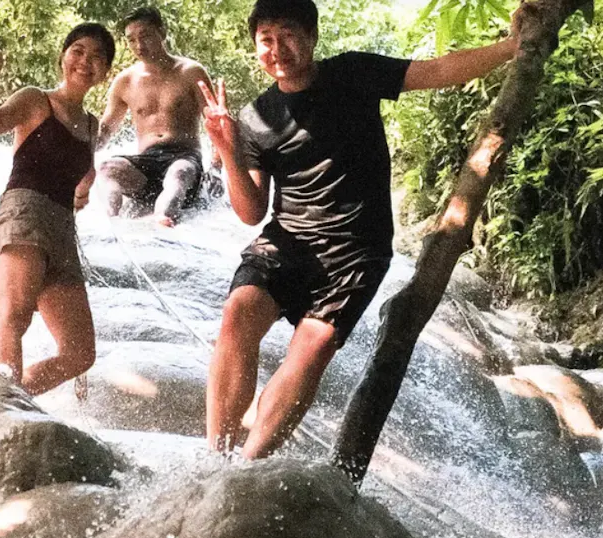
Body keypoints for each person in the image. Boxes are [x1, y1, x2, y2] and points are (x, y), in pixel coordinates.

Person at [202, 0, 533, 458]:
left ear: (312, 38)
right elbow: (249, 211)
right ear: (256, 48)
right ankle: (214, 459)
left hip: (356, 251)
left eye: (288, 35)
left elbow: (438, 71)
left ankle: (249, 464)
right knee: (238, 312)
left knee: (313, 347)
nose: (277, 49)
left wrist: (513, 47)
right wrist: (228, 151)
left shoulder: (352, 73)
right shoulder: (256, 117)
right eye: (266, 41)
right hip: (287, 240)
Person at [0, 23, 114, 395]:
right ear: (63, 56)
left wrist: (84, 187)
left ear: (106, 71)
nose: (85, 61)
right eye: (78, 50)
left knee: (80, 353)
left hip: (62, 229)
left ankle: (7, 398)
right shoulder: (37, 100)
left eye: (97, 56)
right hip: (24, 214)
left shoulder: (92, 126)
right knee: (14, 316)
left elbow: (80, 170)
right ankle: (0, 406)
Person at [98, 7, 215, 227]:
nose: (139, 46)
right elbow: (105, 130)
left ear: (162, 32)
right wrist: (77, 153)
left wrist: (216, 169)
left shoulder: (191, 72)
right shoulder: (125, 81)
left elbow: (216, 123)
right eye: (131, 40)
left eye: (145, 36)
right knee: (107, 169)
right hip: (146, 164)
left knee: (179, 173)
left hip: (184, 157)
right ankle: (111, 222)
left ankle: (162, 219)